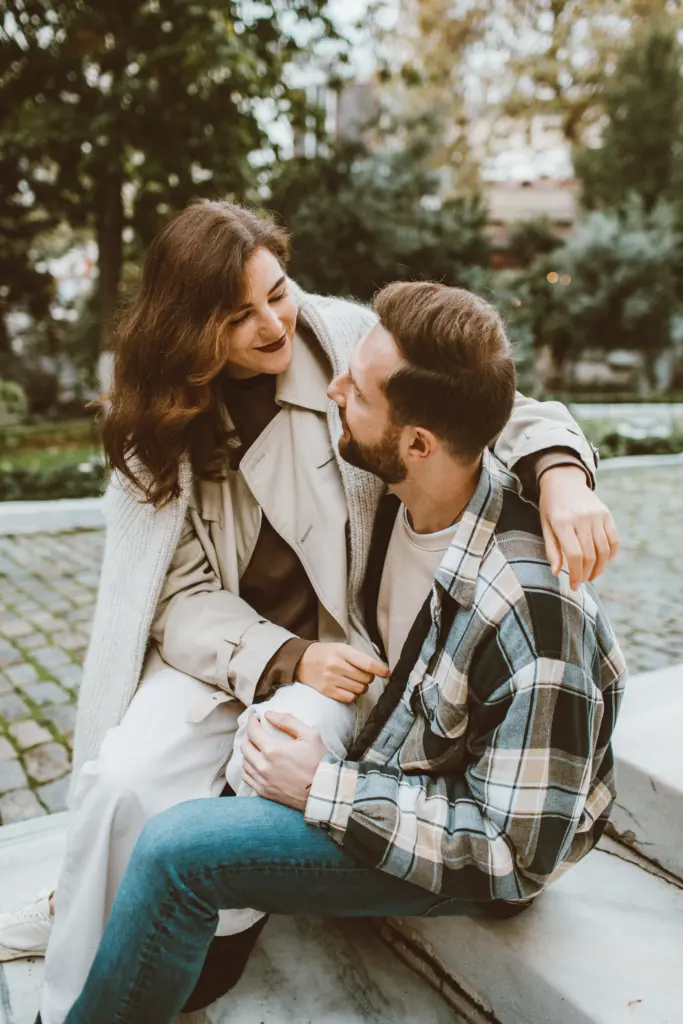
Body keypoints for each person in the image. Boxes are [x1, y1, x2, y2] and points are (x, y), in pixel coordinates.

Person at [0, 202, 617, 1020]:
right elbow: (174, 597)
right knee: (122, 778)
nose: (273, 324)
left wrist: (562, 472)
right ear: (187, 330)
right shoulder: (161, 417)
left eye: (278, 291)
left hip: (342, 656)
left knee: (232, 795)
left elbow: (479, 401)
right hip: (228, 645)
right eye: (237, 315)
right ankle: (74, 948)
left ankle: (206, 951)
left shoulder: (343, 341)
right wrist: (281, 656)